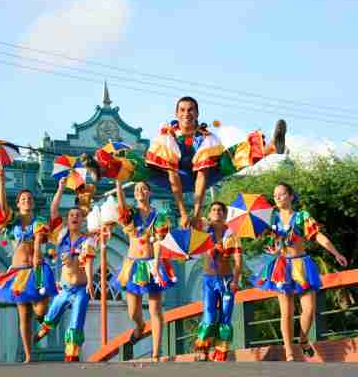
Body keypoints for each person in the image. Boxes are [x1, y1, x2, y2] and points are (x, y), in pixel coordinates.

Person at [88, 96, 287, 228]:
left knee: (228, 159)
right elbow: (173, 178)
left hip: (202, 177)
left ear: (197, 114)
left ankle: (271, 147)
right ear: (176, 114)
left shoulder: (207, 138)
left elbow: (202, 176)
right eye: (182, 110)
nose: (186, 114)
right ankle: (103, 167)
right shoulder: (168, 137)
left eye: (191, 110)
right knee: (142, 166)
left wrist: (197, 212)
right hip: (173, 179)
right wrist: (183, 212)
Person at [249, 182, 347, 361]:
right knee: (286, 312)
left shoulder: (302, 216)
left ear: (291, 196)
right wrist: (275, 249)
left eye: (282, 194)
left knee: (309, 310)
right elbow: (274, 243)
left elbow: (318, 236)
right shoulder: (272, 219)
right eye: (275, 195)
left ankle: (302, 340)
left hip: (302, 265)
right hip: (282, 266)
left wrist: (336, 253)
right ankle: (289, 352)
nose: (278, 197)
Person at [0, 165, 57, 363]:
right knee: (24, 315)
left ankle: (44, 323)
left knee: (41, 309)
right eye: (23, 199)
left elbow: (38, 240)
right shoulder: (12, 222)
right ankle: (29, 356)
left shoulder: (38, 221)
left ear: (32, 203)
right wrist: (2, 180)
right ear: (18, 204)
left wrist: (38, 253)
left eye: (29, 198)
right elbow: (3, 207)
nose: (26, 200)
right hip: (19, 272)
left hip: (36, 269)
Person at [33, 177, 100, 361]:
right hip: (64, 286)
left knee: (76, 321)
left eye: (77, 216)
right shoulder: (61, 235)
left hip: (80, 288)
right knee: (52, 314)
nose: (74, 218)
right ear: (67, 219)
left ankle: (72, 354)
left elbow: (88, 261)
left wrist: (90, 283)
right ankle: (44, 329)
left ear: (82, 219)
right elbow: (53, 210)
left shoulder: (88, 240)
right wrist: (60, 187)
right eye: (71, 215)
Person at [111, 180, 177, 361]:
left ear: (149, 193)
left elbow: (158, 241)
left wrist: (155, 264)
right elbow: (121, 205)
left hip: (151, 263)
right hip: (133, 265)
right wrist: (118, 183)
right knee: (133, 311)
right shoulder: (130, 214)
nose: (140, 191)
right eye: (136, 189)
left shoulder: (159, 216)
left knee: (155, 309)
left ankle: (156, 352)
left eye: (143, 188)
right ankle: (140, 326)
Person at [194, 202, 242, 361]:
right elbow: (190, 222)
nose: (217, 212)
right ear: (209, 213)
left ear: (225, 214)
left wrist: (235, 281)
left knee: (226, 316)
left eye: (220, 210)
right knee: (209, 313)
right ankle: (203, 348)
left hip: (227, 280)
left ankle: (221, 351)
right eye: (213, 210)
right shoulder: (203, 231)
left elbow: (238, 260)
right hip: (209, 280)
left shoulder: (232, 234)